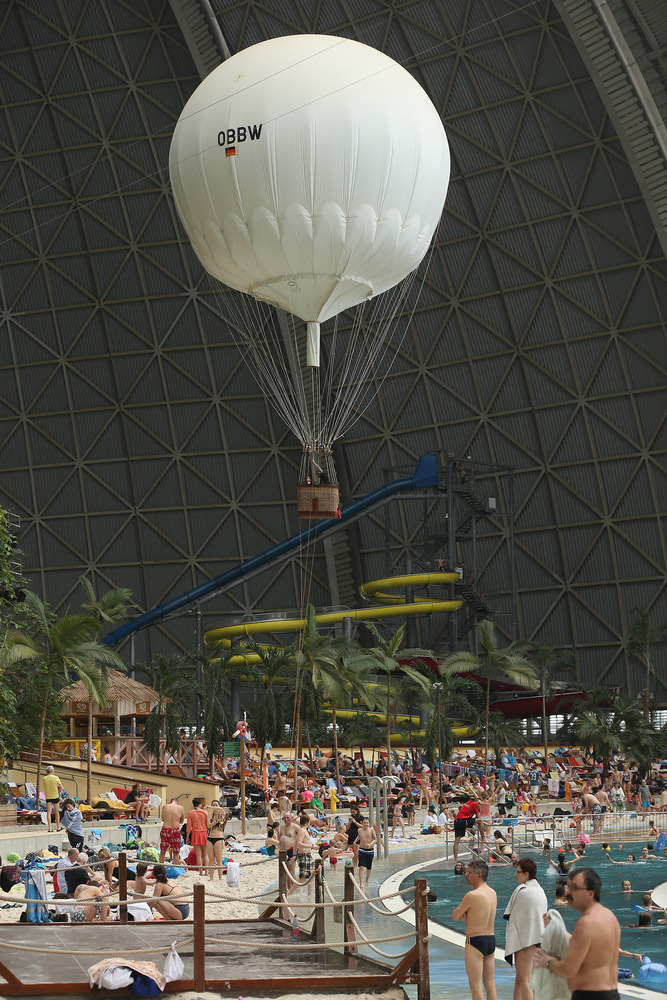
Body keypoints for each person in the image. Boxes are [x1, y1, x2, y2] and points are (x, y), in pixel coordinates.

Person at [534, 867, 621, 1000]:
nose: (567, 892)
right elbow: (588, 947)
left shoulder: (586, 923)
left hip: (590, 995)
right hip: (609, 993)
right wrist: (556, 928)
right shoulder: (609, 917)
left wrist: (547, 961)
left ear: (590, 894)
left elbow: (569, 969)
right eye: (568, 887)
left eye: (574, 888)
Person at [452, 858, 497, 1000]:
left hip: (475, 941)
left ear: (479, 875)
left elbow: (454, 915)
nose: (466, 875)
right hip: (491, 940)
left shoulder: (472, 895)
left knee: (476, 985)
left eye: (469, 872)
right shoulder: (493, 893)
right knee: (490, 985)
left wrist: (466, 917)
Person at [503, 857, 548, 1000]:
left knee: (525, 982)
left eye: (518, 872)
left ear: (527, 874)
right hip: (537, 942)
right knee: (524, 980)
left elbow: (514, 919)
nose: (515, 874)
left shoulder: (523, 891)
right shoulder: (540, 890)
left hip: (525, 942)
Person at [186, 797, 209, 874]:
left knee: (198, 855)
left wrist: (187, 837)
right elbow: (207, 824)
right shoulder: (205, 812)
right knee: (205, 854)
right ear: (200, 804)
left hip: (195, 833)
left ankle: (201, 872)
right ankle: (206, 871)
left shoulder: (190, 813)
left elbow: (188, 826)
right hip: (204, 832)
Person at [453, 797, 480, 863]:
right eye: (479, 803)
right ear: (476, 801)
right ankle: (483, 837)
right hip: (463, 821)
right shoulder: (475, 804)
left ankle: (455, 859)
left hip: (457, 821)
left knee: (456, 841)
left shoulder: (468, 803)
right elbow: (478, 816)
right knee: (480, 821)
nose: (480, 805)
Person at [207, 800, 228, 881]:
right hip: (210, 837)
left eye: (216, 805)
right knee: (211, 860)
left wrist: (214, 808)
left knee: (219, 859)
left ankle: (220, 878)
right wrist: (215, 822)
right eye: (213, 805)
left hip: (219, 838)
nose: (215, 806)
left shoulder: (221, 814)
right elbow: (208, 825)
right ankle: (211, 878)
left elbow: (222, 815)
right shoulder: (210, 814)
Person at [159, 798, 185, 863]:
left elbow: (162, 819)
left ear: (170, 801)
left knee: (163, 851)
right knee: (176, 852)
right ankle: (175, 869)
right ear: (177, 802)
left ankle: (160, 868)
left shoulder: (165, 807)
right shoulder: (181, 808)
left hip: (166, 829)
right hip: (175, 829)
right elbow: (181, 821)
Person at [355, 817, 377, 887]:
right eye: (364, 823)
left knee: (369, 867)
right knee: (361, 866)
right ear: (362, 823)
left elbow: (375, 839)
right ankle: (361, 883)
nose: (366, 824)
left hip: (370, 850)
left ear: (369, 823)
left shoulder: (371, 830)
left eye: (367, 823)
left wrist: (370, 844)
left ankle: (367, 879)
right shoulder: (359, 830)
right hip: (362, 850)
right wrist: (355, 842)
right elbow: (359, 836)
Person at [42, 765, 63, 833]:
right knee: (56, 812)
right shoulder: (56, 778)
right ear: (52, 771)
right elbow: (61, 787)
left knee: (49, 812)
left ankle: (50, 828)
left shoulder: (44, 778)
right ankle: (58, 827)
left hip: (48, 797)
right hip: (55, 796)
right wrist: (58, 791)